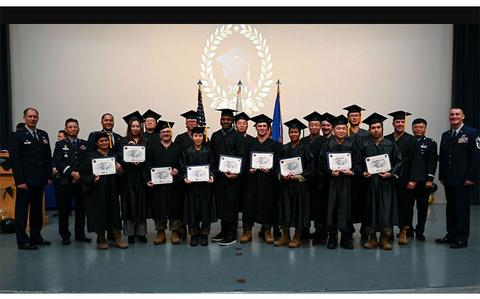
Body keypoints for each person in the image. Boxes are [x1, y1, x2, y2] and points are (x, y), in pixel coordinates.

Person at [9, 108, 52, 250]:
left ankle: (36, 236)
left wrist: (49, 176)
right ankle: (22, 240)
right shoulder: (17, 136)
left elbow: (47, 157)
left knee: (37, 210)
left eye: (35, 116)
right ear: (24, 118)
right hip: (25, 181)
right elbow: (15, 160)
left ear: (37, 118)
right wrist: (19, 180)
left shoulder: (42, 134)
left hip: (39, 180)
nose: (33, 119)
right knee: (22, 212)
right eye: (30, 116)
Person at [436, 108, 479, 249]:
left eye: (457, 114)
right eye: (452, 114)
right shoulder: (446, 135)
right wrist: (442, 175)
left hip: (463, 179)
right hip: (449, 178)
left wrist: (471, 177)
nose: (454, 116)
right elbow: (443, 157)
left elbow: (476, 158)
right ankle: (451, 234)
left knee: (462, 209)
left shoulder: (472, 133)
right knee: (451, 207)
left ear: (463, 116)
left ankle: (461, 238)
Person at [318, 115, 362, 249]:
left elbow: (359, 163)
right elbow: (320, 164)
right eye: (338, 128)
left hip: (348, 184)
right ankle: (332, 237)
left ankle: (346, 237)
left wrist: (352, 172)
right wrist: (330, 172)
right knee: (331, 210)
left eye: (343, 128)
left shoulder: (351, 145)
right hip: (331, 184)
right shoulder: (326, 145)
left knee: (346, 210)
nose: (341, 131)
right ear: (333, 130)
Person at [360, 113, 402, 251]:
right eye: (373, 127)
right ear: (369, 130)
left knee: (385, 210)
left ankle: (385, 238)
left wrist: (391, 173)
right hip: (370, 184)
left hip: (386, 184)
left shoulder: (390, 145)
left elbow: (399, 161)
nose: (376, 130)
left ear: (382, 128)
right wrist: (363, 172)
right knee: (370, 210)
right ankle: (372, 239)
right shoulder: (364, 145)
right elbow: (359, 163)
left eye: (378, 127)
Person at [79, 132, 127, 250]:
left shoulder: (114, 155)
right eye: (101, 141)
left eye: (106, 140)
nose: (104, 143)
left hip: (112, 189)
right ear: (96, 143)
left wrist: (120, 169)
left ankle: (118, 238)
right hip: (98, 190)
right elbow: (83, 172)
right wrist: (92, 179)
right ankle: (101, 238)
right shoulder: (91, 156)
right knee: (100, 214)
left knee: (115, 213)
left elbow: (122, 174)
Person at [240, 114, 282, 244]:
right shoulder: (248, 143)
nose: (262, 128)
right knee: (249, 204)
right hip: (251, 180)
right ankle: (247, 232)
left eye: (264, 126)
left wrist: (271, 170)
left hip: (268, 181)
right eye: (259, 126)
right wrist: (248, 169)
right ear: (256, 128)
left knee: (267, 204)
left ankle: (267, 231)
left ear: (268, 129)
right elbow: (244, 161)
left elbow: (278, 164)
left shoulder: (275, 145)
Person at [275, 118, 314, 248]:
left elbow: (310, 168)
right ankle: (285, 236)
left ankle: (297, 237)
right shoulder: (284, 148)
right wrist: (282, 176)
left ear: (299, 133)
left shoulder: (305, 148)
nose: (293, 134)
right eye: (291, 132)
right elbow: (277, 166)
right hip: (286, 186)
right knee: (284, 209)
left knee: (299, 210)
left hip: (299, 186)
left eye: (296, 132)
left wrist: (299, 177)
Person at [209, 108, 246, 246]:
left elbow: (242, 156)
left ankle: (231, 233)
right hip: (220, 176)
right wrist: (214, 171)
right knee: (222, 204)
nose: (225, 121)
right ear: (220, 120)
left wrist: (236, 173)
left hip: (232, 178)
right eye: (223, 119)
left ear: (233, 121)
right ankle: (224, 231)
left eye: (228, 119)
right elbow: (211, 155)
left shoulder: (238, 136)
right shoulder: (215, 135)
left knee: (231, 205)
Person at [52, 118, 91, 245]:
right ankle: (65, 235)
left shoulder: (84, 144)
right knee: (64, 210)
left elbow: (87, 161)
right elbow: (58, 162)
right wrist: (72, 173)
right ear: (66, 129)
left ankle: (80, 234)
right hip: (65, 182)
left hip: (81, 181)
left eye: (75, 127)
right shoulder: (60, 144)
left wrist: (80, 173)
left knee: (81, 210)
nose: (73, 129)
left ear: (78, 129)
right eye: (70, 127)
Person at [145, 120, 183, 245]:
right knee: (159, 207)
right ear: (159, 134)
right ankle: (160, 232)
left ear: (171, 133)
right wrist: (148, 180)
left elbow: (182, 164)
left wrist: (178, 171)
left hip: (174, 185)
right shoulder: (152, 148)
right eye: (163, 132)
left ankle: (175, 232)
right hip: (158, 185)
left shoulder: (178, 147)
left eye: (168, 131)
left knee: (175, 207)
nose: (166, 133)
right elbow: (148, 165)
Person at [180, 126, 216, 247]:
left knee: (205, 209)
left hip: (206, 186)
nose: (198, 138)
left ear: (203, 137)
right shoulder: (187, 150)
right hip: (192, 187)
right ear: (192, 137)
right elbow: (183, 166)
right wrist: (185, 177)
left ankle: (204, 234)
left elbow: (213, 165)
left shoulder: (208, 150)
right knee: (192, 210)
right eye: (196, 136)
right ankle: (194, 234)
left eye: (200, 136)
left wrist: (211, 175)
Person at [385, 110, 417, 245]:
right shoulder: (387, 139)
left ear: (405, 123)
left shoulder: (411, 139)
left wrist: (413, 179)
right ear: (393, 123)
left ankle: (403, 232)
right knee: (390, 205)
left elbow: (416, 161)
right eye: (397, 122)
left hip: (405, 178)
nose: (399, 124)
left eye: (402, 122)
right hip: (389, 178)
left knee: (405, 206)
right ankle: (389, 231)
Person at [407, 118, 438, 241]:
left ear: (425, 129)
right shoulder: (408, 141)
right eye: (416, 127)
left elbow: (432, 162)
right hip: (410, 181)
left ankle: (420, 231)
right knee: (408, 207)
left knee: (422, 207)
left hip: (424, 182)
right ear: (412, 128)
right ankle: (408, 230)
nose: (418, 129)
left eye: (421, 127)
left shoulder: (431, 143)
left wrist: (430, 179)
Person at [343, 104, 370, 241]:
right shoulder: (343, 133)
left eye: (356, 115)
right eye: (351, 115)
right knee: (348, 204)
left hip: (364, 175)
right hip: (347, 176)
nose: (354, 118)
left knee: (364, 203)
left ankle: (365, 230)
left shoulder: (366, 134)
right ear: (347, 117)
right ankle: (348, 229)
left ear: (360, 117)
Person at [121, 111, 148, 244]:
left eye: (137, 126)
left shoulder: (145, 140)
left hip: (141, 176)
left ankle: (141, 233)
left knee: (141, 205)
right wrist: (129, 157)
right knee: (129, 205)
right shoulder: (124, 141)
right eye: (133, 126)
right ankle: (130, 233)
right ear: (129, 127)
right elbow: (120, 158)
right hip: (129, 177)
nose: (135, 128)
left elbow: (149, 158)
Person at [301, 111, 326, 243]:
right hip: (305, 180)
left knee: (318, 208)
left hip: (318, 180)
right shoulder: (303, 141)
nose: (314, 127)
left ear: (320, 126)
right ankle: (304, 230)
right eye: (312, 125)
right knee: (305, 206)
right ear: (309, 126)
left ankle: (320, 233)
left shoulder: (325, 141)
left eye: (317, 124)